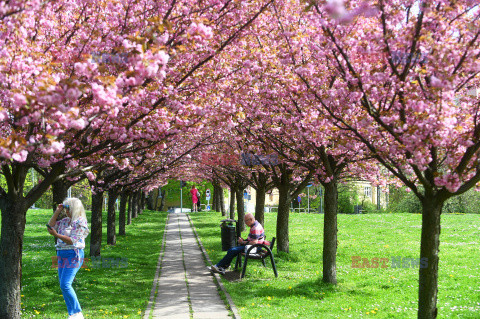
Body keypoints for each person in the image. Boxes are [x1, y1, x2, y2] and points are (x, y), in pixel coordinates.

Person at [47, 198, 90, 319]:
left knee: (66, 284)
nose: (66, 212)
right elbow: (50, 225)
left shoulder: (81, 222)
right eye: (65, 209)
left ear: (75, 209)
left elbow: (73, 240)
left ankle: (77, 313)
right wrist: (57, 211)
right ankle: (73, 313)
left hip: (74, 254)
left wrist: (56, 235)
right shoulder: (65, 220)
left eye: (68, 209)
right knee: (62, 285)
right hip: (61, 253)